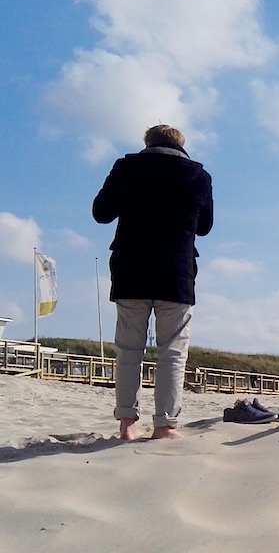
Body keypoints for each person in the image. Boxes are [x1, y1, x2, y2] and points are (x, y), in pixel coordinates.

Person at [93, 125, 213, 440]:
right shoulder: (199, 176)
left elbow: (101, 212)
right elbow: (205, 228)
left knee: (129, 349)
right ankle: (165, 426)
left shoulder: (126, 167)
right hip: (176, 273)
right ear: (181, 146)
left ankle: (127, 424)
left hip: (131, 269)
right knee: (173, 350)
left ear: (148, 143)